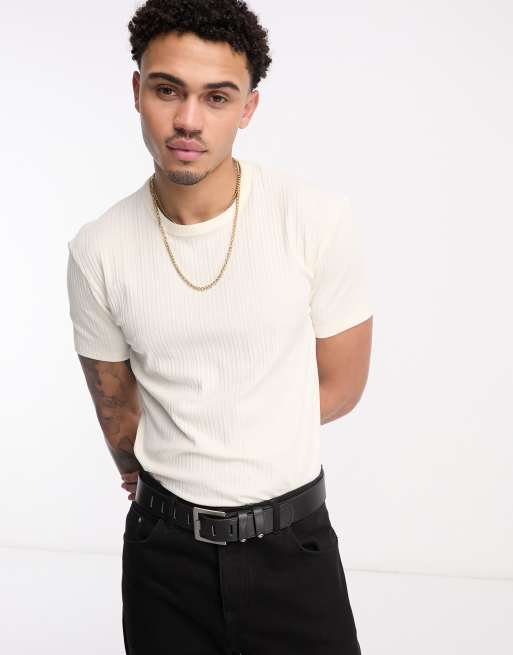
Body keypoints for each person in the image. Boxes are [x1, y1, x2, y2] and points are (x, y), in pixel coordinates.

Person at [66, 1, 373, 653]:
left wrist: (225, 437)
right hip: (163, 556)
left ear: (248, 108)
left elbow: (343, 385)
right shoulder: (99, 249)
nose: (188, 119)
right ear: (137, 90)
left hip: (293, 546)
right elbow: (116, 410)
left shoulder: (314, 219)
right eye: (167, 90)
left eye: (216, 97)